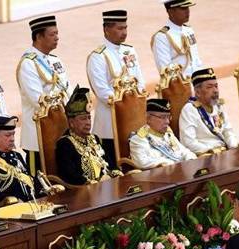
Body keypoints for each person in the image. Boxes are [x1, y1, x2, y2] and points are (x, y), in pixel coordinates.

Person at [87, 10, 146, 169]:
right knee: (114, 169)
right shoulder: (97, 57)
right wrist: (127, 104)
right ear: (106, 29)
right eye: (119, 28)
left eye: (125, 28)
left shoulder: (130, 50)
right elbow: (102, 92)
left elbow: (140, 81)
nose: (124, 32)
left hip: (133, 121)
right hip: (110, 126)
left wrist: (136, 102)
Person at [17, 15, 71, 175]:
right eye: (52, 34)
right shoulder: (28, 64)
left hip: (60, 129)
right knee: (40, 180)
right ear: (39, 37)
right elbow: (38, 100)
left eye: (57, 33)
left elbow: (66, 89)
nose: (57, 37)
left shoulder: (55, 60)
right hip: (39, 134)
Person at [56, 86, 121, 185]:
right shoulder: (65, 144)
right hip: (84, 191)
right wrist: (92, 183)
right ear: (71, 123)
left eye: (89, 118)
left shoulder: (94, 138)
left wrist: (116, 173)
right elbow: (69, 176)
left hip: (106, 186)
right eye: (83, 119)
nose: (88, 122)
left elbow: (110, 164)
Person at [0, 116, 45, 204]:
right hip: (10, 207)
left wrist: (44, 191)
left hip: (32, 203)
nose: (12, 139)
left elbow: (30, 180)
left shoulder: (17, 155)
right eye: (8, 135)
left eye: (13, 134)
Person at [179, 68, 238, 155]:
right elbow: (189, 143)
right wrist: (212, 151)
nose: (215, 91)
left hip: (225, 153)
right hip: (206, 156)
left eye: (216, 86)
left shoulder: (218, 106)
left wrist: (233, 148)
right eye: (209, 87)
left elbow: (228, 131)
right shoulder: (189, 110)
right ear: (198, 92)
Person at [129, 99, 196, 169]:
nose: (167, 121)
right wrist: (165, 162)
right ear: (148, 118)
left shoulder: (168, 134)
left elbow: (184, 151)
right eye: (163, 117)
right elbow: (141, 162)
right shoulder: (139, 139)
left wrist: (190, 158)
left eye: (168, 117)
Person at [151, 0, 202, 78]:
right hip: (180, 83)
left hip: (196, 81)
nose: (187, 11)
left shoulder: (188, 30)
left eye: (188, 7)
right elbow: (166, 70)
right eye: (183, 8)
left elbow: (196, 59)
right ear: (171, 12)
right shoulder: (162, 37)